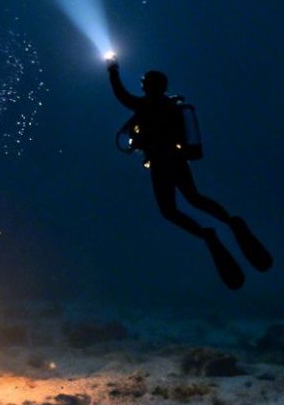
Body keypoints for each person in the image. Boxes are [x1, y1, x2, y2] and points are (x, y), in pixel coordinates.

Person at [107, 56, 274, 290]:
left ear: (150, 86)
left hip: (161, 165)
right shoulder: (170, 106)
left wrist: (113, 71)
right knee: (194, 198)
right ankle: (231, 222)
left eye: (145, 83)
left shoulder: (146, 106)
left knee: (169, 210)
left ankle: (207, 234)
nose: (142, 86)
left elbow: (121, 95)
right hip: (178, 161)